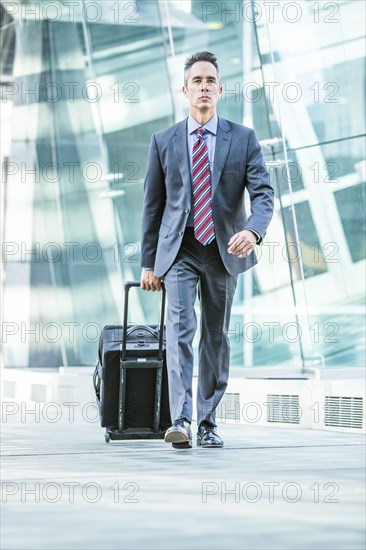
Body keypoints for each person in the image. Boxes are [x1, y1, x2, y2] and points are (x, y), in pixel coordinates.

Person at [140, 51, 274, 449]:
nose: (203, 87)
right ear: (185, 90)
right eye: (196, 81)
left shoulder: (244, 138)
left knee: (214, 336)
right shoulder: (163, 141)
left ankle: (208, 421)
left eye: (210, 81)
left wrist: (253, 231)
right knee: (180, 331)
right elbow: (153, 205)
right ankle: (180, 418)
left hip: (224, 250)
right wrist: (149, 262)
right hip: (179, 249)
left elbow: (263, 194)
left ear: (220, 89)